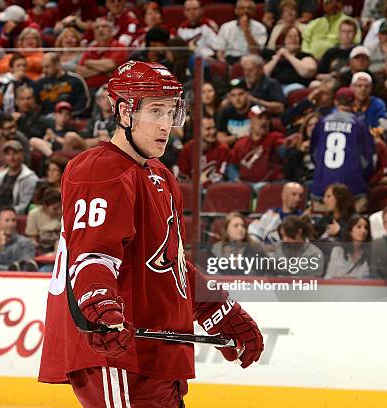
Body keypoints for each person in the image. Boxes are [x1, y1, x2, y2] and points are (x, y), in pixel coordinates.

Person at [39, 61, 263, 405]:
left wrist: (220, 309)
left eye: (171, 112)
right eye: (155, 111)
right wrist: (98, 306)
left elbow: (169, 265)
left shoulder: (159, 174)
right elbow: (92, 256)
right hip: (118, 355)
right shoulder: (99, 168)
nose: (166, 125)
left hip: (160, 354)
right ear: (125, 112)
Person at [310, 87, 375, 213]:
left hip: (322, 186)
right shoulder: (359, 125)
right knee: (352, 228)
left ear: (335, 102)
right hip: (353, 187)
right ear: (354, 103)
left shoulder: (322, 122)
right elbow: (368, 160)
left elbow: (314, 154)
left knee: (322, 228)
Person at [228, 105, 285, 186]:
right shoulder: (241, 142)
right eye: (260, 118)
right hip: (245, 185)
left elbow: (284, 151)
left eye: (267, 118)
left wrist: (287, 146)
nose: (264, 121)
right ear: (250, 121)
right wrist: (235, 178)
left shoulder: (274, 137)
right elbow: (231, 166)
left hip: (269, 185)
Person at [0, 140, 39, 215]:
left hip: (14, 217)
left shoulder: (30, 179)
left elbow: (24, 206)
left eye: (15, 153)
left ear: (22, 155)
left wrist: (0, 213)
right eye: (8, 154)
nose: (12, 157)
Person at [262, 25, 318, 96]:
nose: (293, 39)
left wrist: (288, 55)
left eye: (296, 36)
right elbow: (262, 76)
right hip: (274, 86)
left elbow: (307, 72)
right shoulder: (274, 56)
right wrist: (276, 59)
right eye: (289, 36)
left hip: (294, 87)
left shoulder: (305, 56)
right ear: (283, 40)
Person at [76, 17, 129, 90]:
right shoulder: (90, 49)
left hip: (113, 89)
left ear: (111, 30)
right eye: (97, 28)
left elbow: (110, 65)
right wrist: (105, 72)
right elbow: (80, 71)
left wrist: (88, 62)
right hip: (89, 89)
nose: (100, 29)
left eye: (104, 27)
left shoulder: (119, 47)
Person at [177, 116, 230, 187]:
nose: (213, 132)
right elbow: (183, 178)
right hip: (191, 192)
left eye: (214, 128)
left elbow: (221, 177)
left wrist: (203, 183)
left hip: (214, 192)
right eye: (208, 129)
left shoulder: (223, 149)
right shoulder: (187, 149)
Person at [34, 52, 90, 117]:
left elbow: (83, 103)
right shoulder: (40, 83)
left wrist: (67, 115)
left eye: (47, 66)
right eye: (43, 67)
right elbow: (35, 104)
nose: (44, 70)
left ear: (57, 64)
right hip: (46, 118)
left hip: (70, 118)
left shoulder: (75, 80)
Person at [324, 214, 371, 279]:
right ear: (350, 231)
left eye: (366, 228)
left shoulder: (370, 253)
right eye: (359, 227)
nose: (363, 231)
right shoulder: (337, 251)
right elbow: (329, 275)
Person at [25, 188, 62, 255]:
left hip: (62, 248)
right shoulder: (34, 214)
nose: (59, 211)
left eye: (61, 207)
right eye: (55, 209)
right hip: (42, 249)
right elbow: (32, 239)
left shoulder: (66, 213)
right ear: (45, 206)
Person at [216, 78, 252, 146]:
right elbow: (220, 139)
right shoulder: (226, 112)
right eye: (233, 95)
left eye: (240, 94)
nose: (237, 99)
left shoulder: (255, 109)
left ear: (247, 94)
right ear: (229, 97)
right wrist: (237, 137)